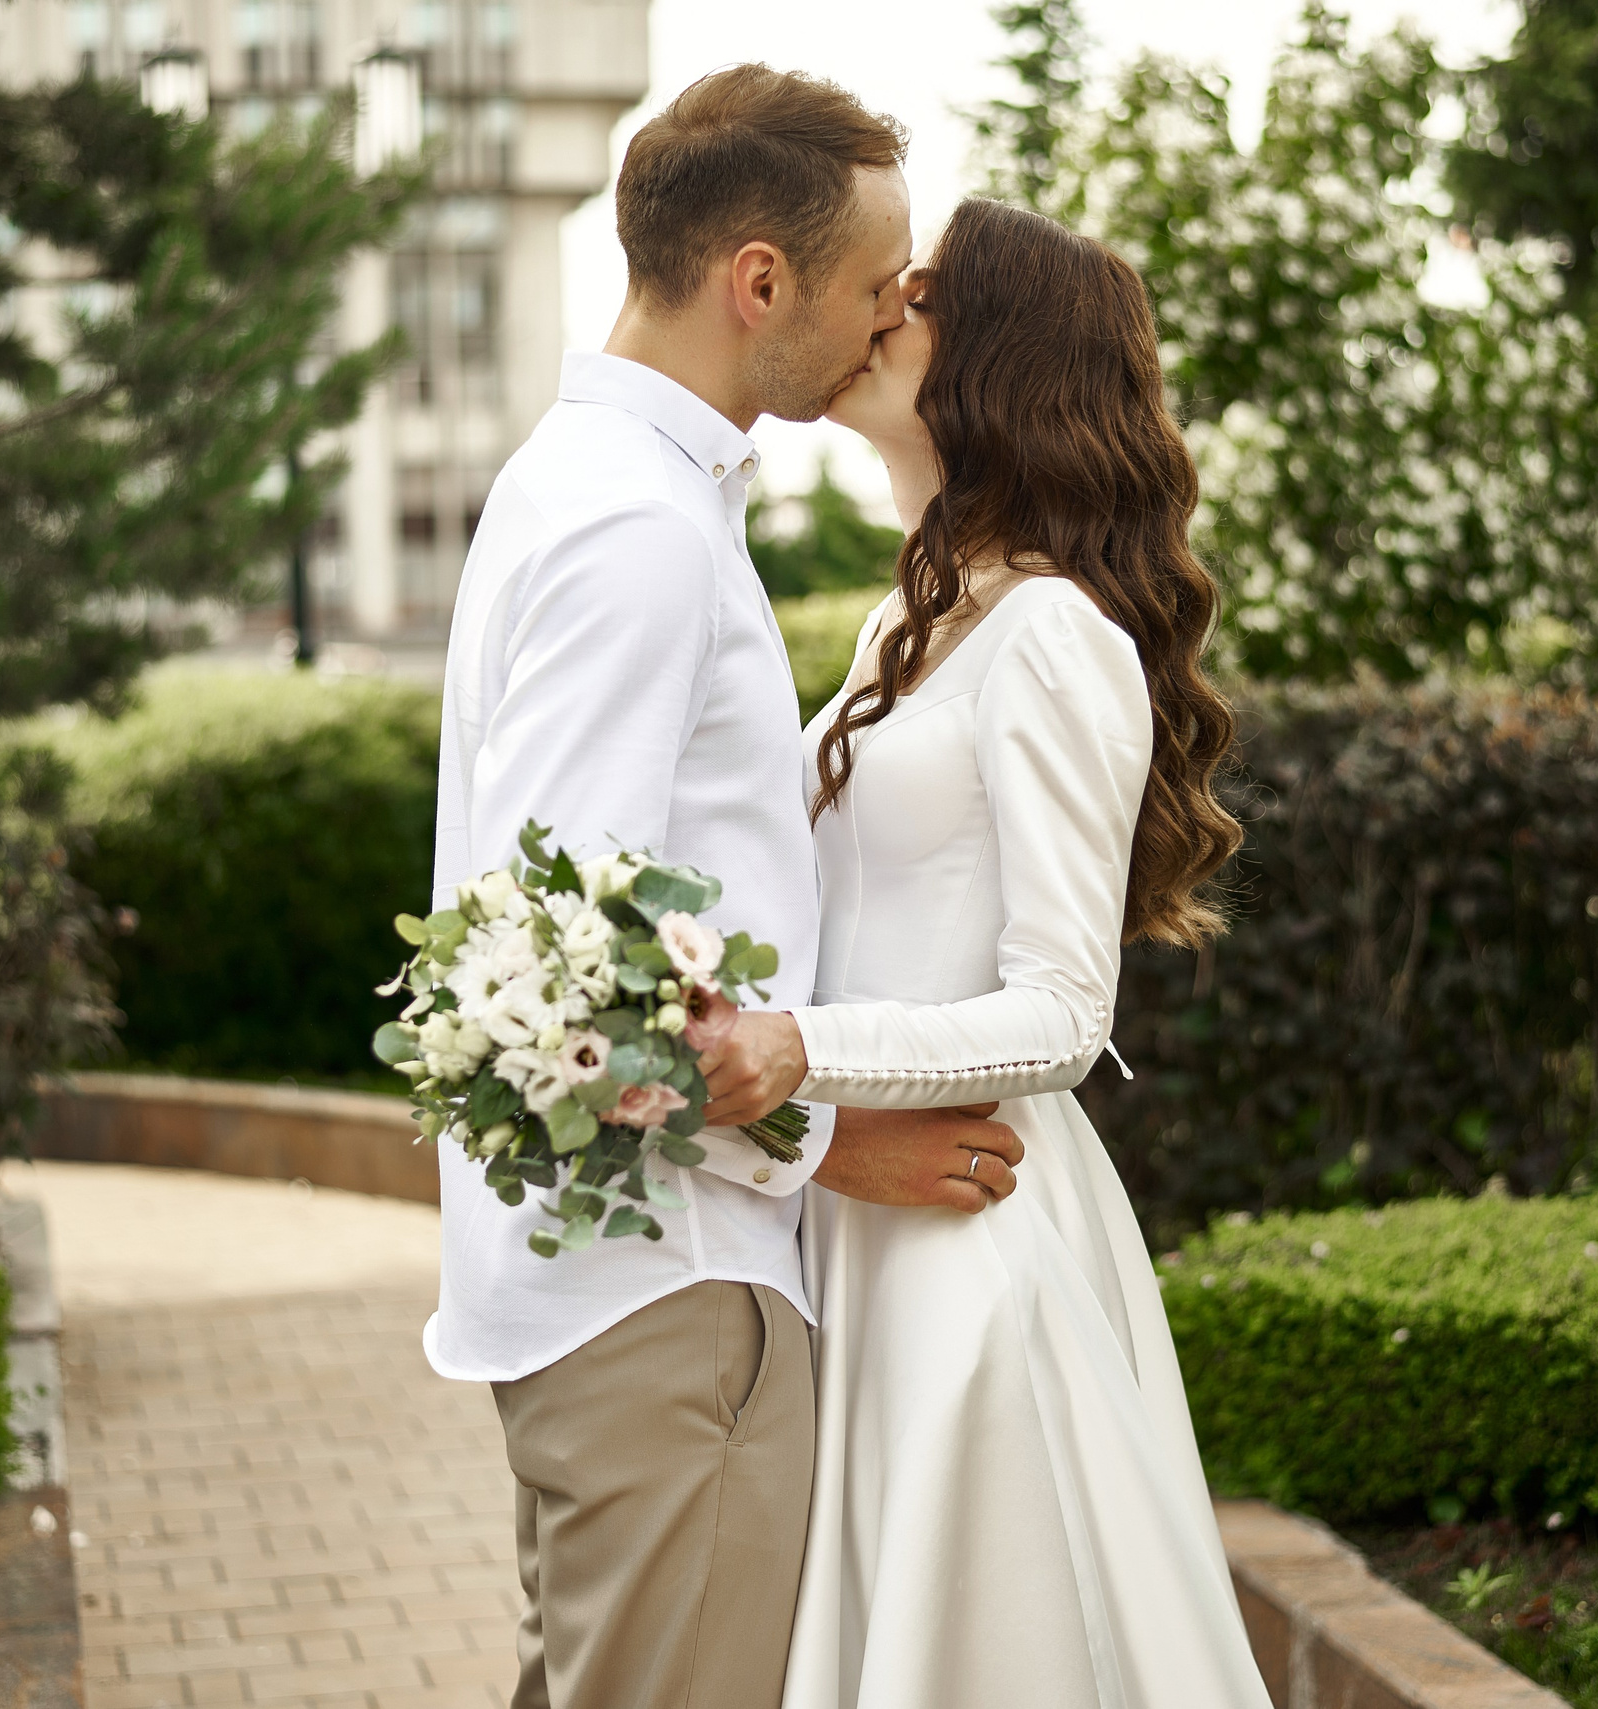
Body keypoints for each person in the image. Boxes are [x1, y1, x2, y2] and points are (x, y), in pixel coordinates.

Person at [423, 66, 1024, 1709]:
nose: (898, 313)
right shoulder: (636, 530)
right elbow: (551, 978)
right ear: (759, 280)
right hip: (666, 1303)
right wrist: (836, 1141)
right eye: (877, 281)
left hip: (613, 1295)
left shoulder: (594, 485)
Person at [696, 198, 1276, 1705]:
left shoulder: (1058, 635)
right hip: (854, 1221)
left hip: (966, 1247)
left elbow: (1065, 1010)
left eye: (922, 293)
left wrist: (800, 1056)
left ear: (1004, 359)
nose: (878, 308)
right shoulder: (917, 615)